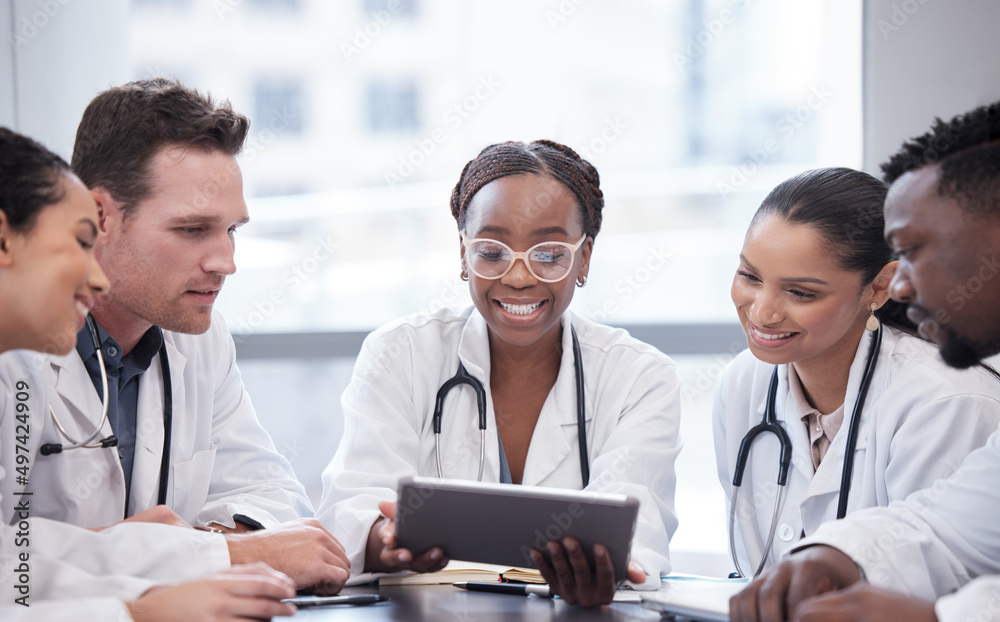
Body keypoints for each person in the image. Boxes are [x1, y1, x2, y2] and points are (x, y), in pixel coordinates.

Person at [0, 79, 349, 594]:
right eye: (192, 230)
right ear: (101, 217)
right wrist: (208, 555)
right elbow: (12, 564)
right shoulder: (16, 347)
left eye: (231, 230)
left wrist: (203, 546)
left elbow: (273, 493)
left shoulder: (198, 336)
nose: (225, 263)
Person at [318, 140, 681, 607]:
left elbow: (638, 532)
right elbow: (353, 504)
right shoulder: (399, 353)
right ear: (464, 254)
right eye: (492, 251)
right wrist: (381, 540)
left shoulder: (638, 375)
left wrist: (605, 572)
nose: (518, 277)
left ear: (584, 258)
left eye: (549, 254)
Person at [728, 101, 1000, 622]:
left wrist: (937, 618)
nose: (899, 285)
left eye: (915, 249)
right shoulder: (744, 381)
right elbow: (949, 531)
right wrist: (835, 555)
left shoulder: (951, 396)